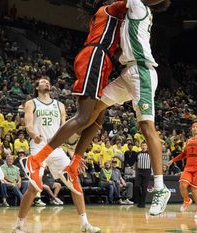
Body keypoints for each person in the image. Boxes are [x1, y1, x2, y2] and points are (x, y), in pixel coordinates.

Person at [65, 0, 172, 216]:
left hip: (142, 72)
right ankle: (74, 149)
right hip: (128, 73)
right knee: (97, 104)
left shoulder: (139, 5)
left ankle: (160, 188)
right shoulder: (127, 14)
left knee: (146, 127)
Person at [21, 0, 128, 196]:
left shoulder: (111, 22)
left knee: (99, 116)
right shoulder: (109, 9)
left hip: (102, 59)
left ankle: (74, 163)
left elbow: (120, 50)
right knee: (84, 116)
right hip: (95, 56)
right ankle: (36, 160)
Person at [14, 77, 100, 233]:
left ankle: (85, 224)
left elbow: (65, 129)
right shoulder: (31, 103)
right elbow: (28, 125)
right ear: (36, 86)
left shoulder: (59, 105)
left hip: (57, 148)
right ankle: (19, 225)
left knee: (74, 182)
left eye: (48, 81)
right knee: (33, 187)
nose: (46, 83)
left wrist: (74, 154)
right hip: (39, 146)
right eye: (42, 81)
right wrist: (34, 135)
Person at [167, 122, 197, 218]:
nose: (195, 128)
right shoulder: (188, 141)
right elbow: (183, 154)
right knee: (182, 185)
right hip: (188, 167)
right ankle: (187, 200)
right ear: (191, 129)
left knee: (194, 190)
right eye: (193, 127)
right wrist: (173, 160)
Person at [134, 142, 152, 208]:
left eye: (145, 145)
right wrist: (135, 171)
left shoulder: (150, 153)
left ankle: (142, 203)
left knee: (144, 188)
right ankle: (139, 200)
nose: (144, 146)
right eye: (142, 145)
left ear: (147, 146)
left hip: (147, 171)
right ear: (141, 146)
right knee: (136, 186)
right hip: (139, 171)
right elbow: (136, 163)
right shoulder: (138, 153)